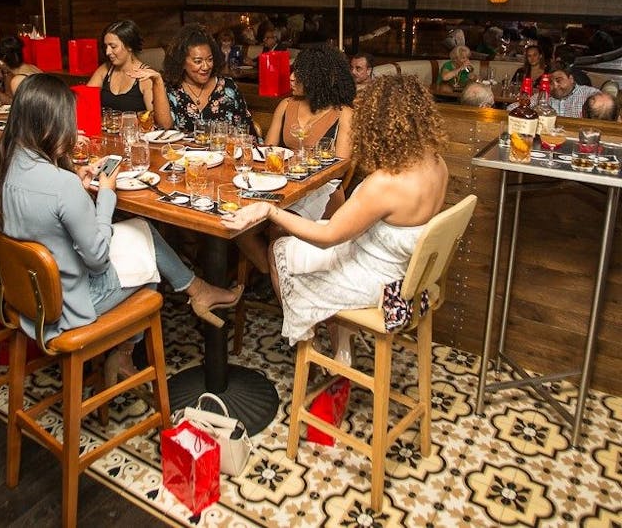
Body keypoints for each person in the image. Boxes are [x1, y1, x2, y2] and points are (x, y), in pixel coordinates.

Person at [0, 74, 243, 378]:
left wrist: (75, 177)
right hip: (67, 307)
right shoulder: (61, 186)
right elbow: (98, 258)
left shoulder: (2, 167)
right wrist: (105, 196)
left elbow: (42, 212)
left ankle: (194, 291)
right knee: (148, 262)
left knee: (141, 232)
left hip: (26, 296)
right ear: (50, 125)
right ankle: (128, 351)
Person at [221, 74, 449, 365]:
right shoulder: (436, 162)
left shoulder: (385, 183)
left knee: (280, 249)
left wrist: (270, 211)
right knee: (309, 238)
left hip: (379, 283)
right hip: (406, 273)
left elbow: (329, 239)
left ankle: (310, 349)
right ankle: (342, 349)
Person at [239, 44, 356, 299]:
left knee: (279, 231)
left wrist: (296, 167)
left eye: (300, 74)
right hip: (283, 186)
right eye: (293, 71)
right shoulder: (286, 106)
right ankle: (274, 276)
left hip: (322, 192)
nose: (291, 78)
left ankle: (290, 300)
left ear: (318, 77)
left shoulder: (343, 114)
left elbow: (339, 167)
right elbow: (268, 151)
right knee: (239, 227)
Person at [155, 24, 255, 134]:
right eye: (198, 61)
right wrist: (158, 82)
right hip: (182, 151)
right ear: (182, 62)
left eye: (209, 59)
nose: (206, 67)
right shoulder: (172, 90)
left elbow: (247, 133)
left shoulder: (228, 88)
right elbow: (164, 130)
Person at [85, 19, 161, 116]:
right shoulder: (105, 69)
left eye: (113, 47)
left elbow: (154, 119)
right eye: (106, 46)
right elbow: (85, 100)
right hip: (105, 130)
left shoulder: (146, 77)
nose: (107, 52)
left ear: (129, 46)